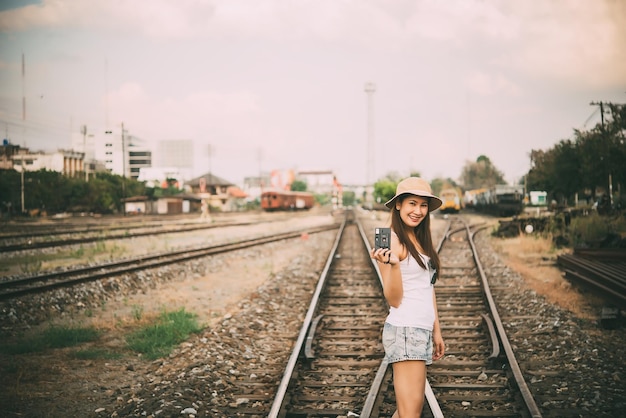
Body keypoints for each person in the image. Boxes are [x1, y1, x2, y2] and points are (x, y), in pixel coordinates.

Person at [370, 177, 446, 418]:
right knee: (410, 413)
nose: (418, 211)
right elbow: (393, 299)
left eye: (423, 205)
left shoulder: (420, 238)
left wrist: (436, 331)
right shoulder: (393, 240)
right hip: (406, 329)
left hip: (419, 329)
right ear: (399, 205)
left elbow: (427, 287)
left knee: (410, 411)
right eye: (412, 203)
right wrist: (392, 266)